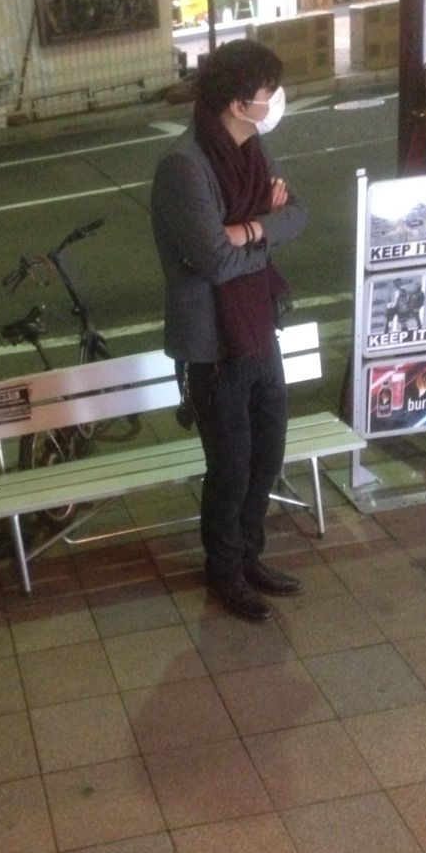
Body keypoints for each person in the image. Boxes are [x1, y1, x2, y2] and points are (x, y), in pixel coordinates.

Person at [151, 39, 308, 622]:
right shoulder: (184, 167)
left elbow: (298, 214)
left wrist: (250, 230)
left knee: (267, 455)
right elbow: (214, 262)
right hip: (214, 345)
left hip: (257, 329)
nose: (276, 100)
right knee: (231, 467)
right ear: (241, 104)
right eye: (270, 92)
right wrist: (263, 230)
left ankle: (249, 556)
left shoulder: (252, 149)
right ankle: (225, 573)